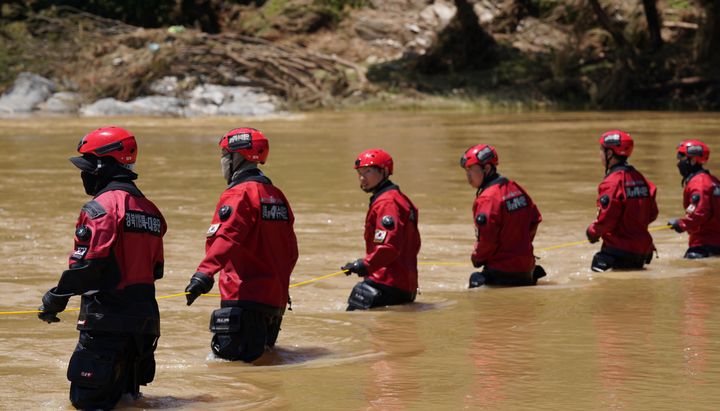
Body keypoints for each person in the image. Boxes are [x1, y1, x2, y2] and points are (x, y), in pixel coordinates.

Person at [37, 126, 166, 410]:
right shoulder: (151, 211)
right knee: (127, 402)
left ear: (101, 166)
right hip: (143, 328)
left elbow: (89, 265)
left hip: (105, 324)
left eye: (86, 166)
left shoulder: (101, 208)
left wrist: (55, 298)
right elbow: (156, 270)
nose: (83, 174)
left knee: (88, 404)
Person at [184, 127, 298, 362]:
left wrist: (203, 275)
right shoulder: (277, 196)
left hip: (243, 298)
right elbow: (291, 252)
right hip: (274, 303)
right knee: (264, 372)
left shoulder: (238, 194)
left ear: (238, 158)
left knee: (234, 374)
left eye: (225, 156)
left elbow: (226, 237)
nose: (222, 163)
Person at [342, 149, 421, 310]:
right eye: (360, 173)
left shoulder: (387, 202)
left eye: (368, 172)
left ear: (384, 171)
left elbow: (389, 247)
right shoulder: (397, 198)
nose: (362, 178)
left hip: (386, 283)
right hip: (403, 285)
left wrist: (363, 264)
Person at [460, 144, 544, 287]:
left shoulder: (487, 199)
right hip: (527, 270)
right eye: (466, 171)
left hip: (502, 273)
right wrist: (520, 246)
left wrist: (477, 258)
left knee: (475, 284)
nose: (468, 176)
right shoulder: (515, 188)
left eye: (471, 170)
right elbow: (535, 220)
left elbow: (487, 240)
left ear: (486, 169)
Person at [586, 130, 658, 271]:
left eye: (601, 150)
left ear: (610, 154)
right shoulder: (641, 179)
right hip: (642, 251)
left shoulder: (611, 183)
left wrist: (592, 232)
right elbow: (652, 213)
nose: (599, 154)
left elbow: (607, 219)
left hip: (618, 251)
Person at [667, 139, 720, 258]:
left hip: (704, 245)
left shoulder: (698, 183)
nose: (678, 163)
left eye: (682, 159)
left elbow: (699, 213)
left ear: (693, 160)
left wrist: (680, 224)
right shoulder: (713, 181)